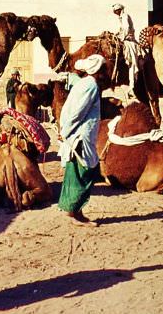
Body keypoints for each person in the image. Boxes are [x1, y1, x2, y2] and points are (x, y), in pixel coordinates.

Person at [57, 54, 108, 227]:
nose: (105, 72)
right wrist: (65, 132)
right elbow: (77, 112)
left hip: (76, 135)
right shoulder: (91, 86)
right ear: (98, 71)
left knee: (78, 172)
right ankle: (74, 213)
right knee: (84, 173)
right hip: (80, 136)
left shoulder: (82, 84)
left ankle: (76, 211)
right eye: (103, 69)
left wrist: (64, 130)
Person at [111, 3, 143, 98]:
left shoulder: (125, 16)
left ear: (119, 10)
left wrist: (121, 37)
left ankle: (132, 87)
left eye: (116, 11)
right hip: (125, 40)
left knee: (132, 63)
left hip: (129, 42)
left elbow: (126, 29)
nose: (116, 13)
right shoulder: (121, 18)